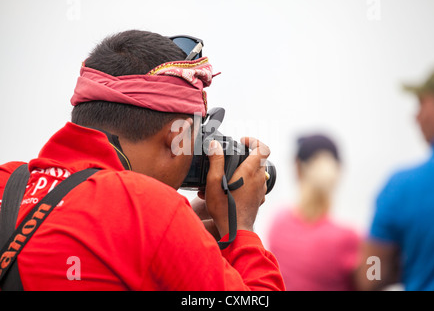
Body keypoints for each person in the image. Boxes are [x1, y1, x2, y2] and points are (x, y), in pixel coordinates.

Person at [0, 30, 285, 291]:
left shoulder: (7, 180)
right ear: (178, 137)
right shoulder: (153, 210)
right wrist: (242, 229)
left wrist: (187, 232)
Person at [354, 66, 434, 291]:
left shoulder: (402, 187)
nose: (416, 116)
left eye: (422, 104)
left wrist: (392, 264)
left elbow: (371, 276)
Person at [268, 134, 361, 291]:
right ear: (338, 173)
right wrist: (377, 260)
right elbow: (374, 280)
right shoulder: (348, 238)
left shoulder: (278, 223)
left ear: (297, 169)